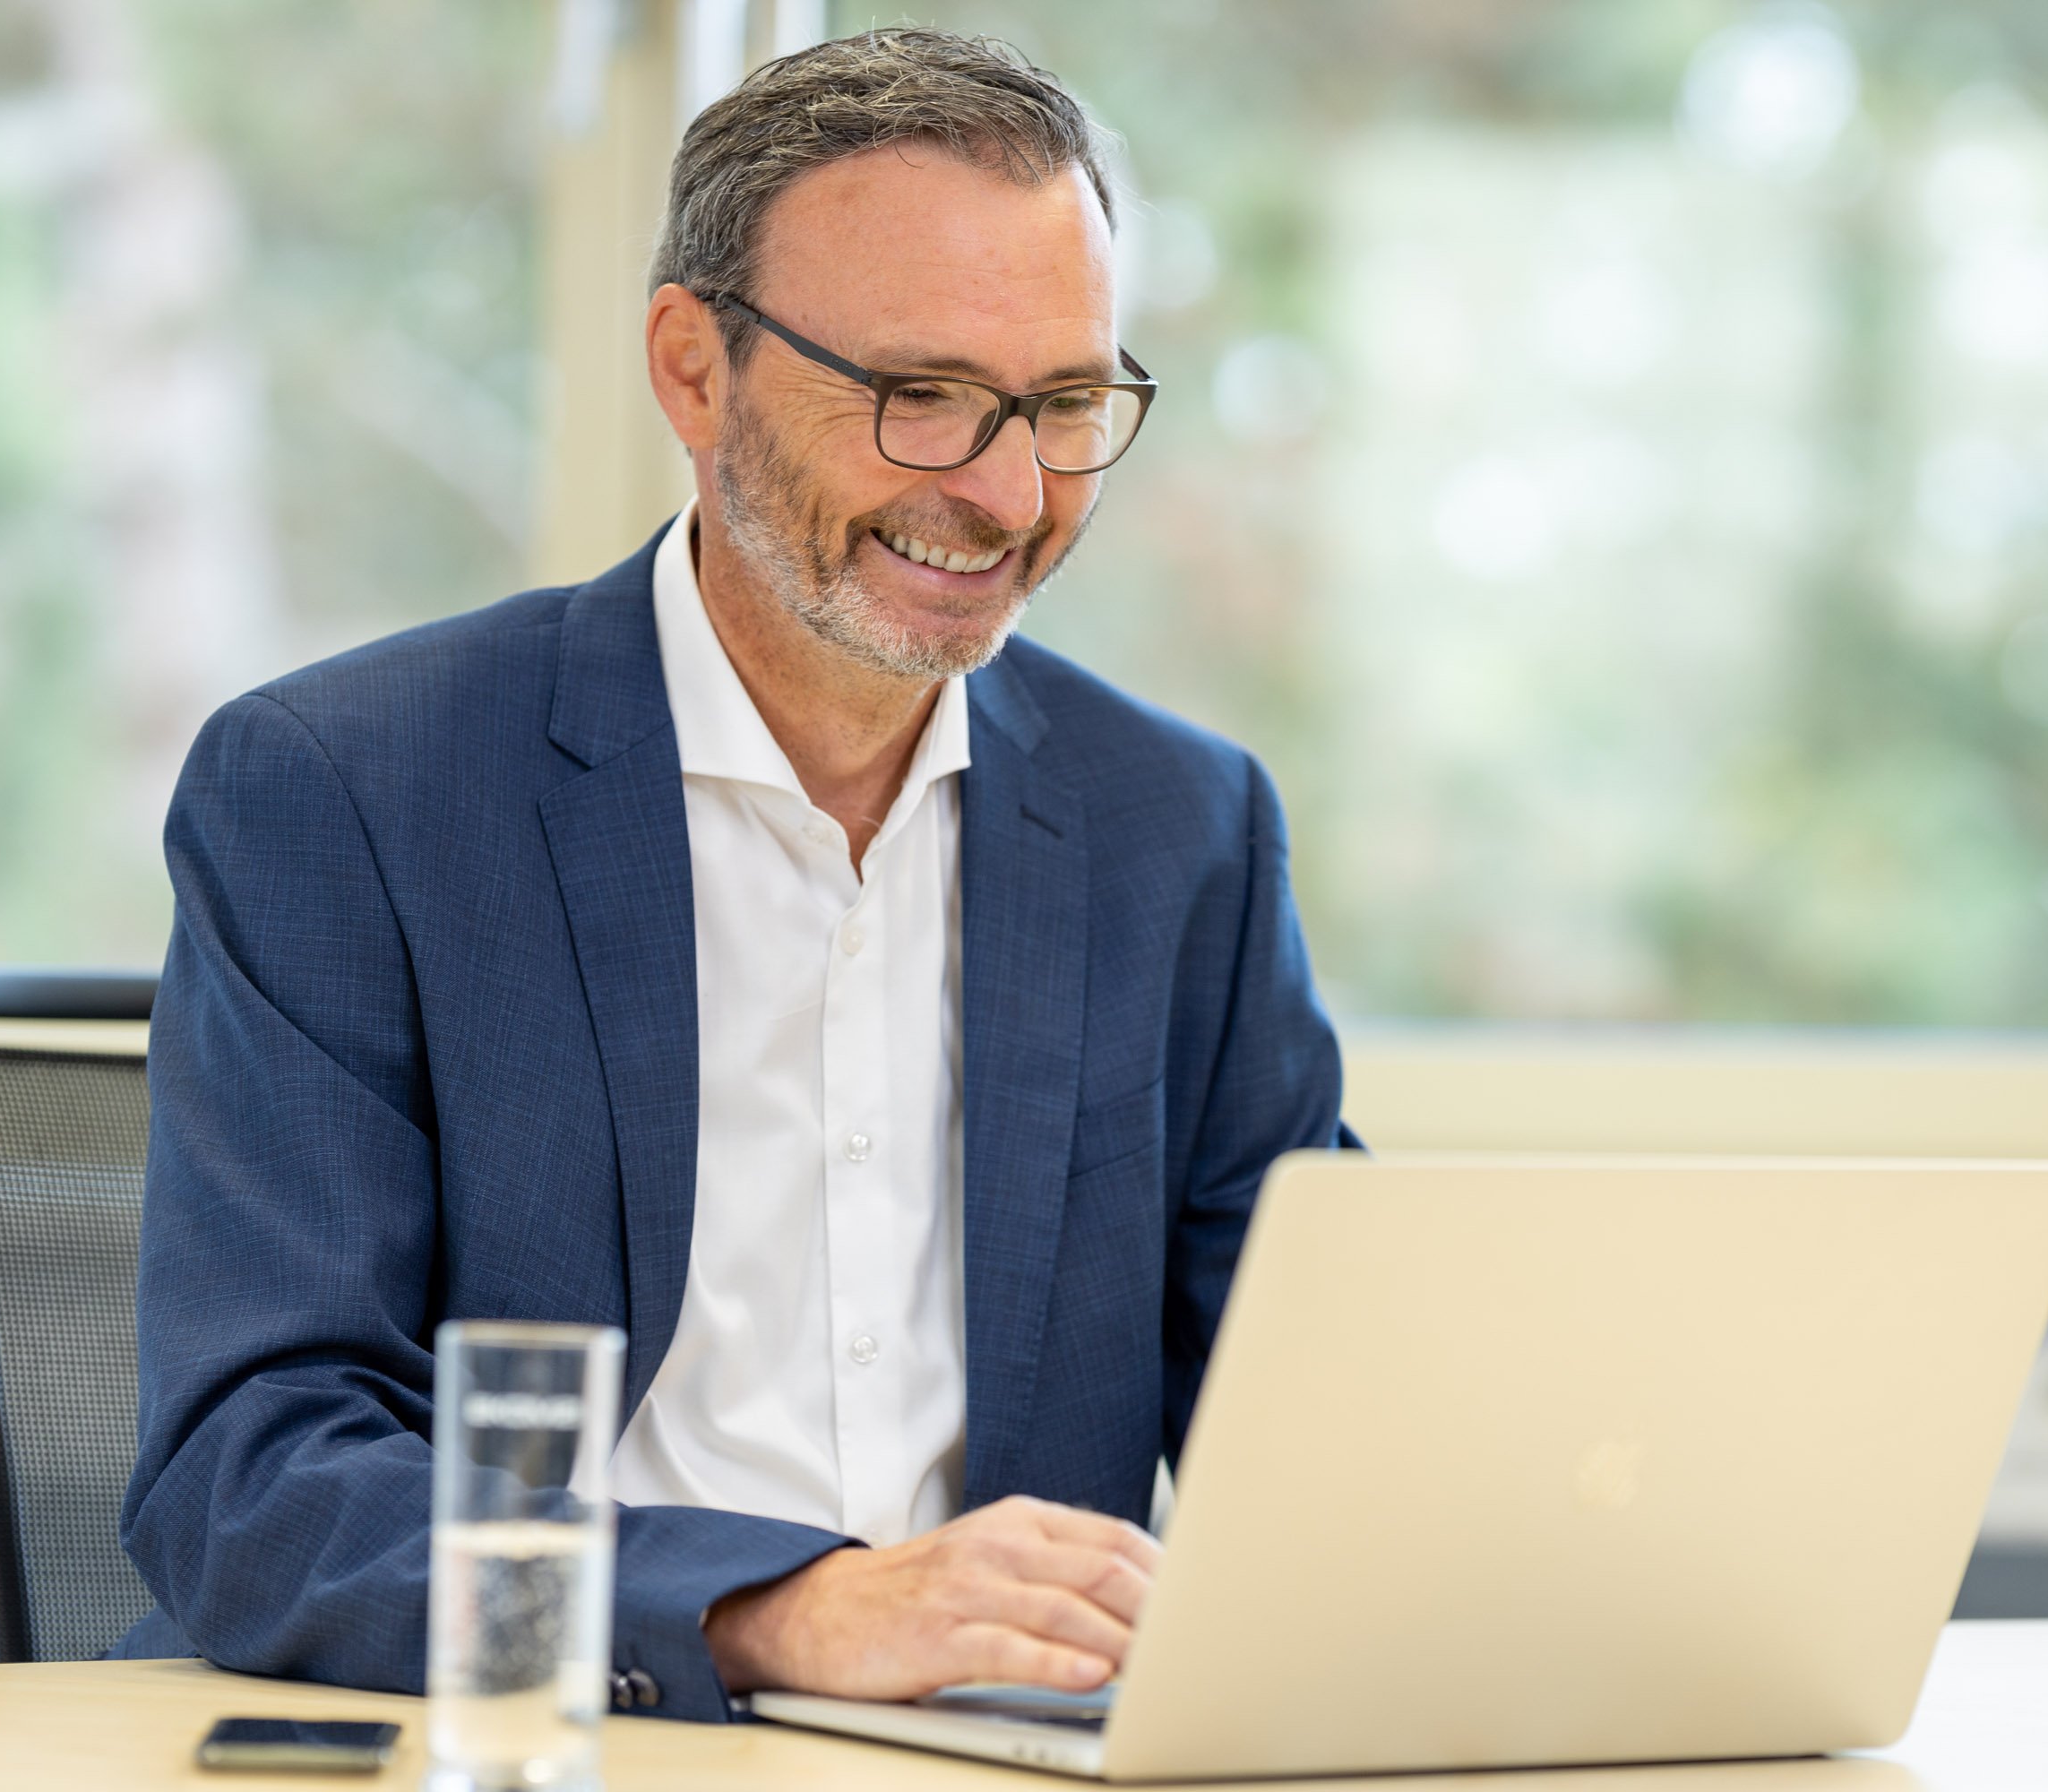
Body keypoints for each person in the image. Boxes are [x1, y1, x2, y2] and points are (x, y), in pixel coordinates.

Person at [116, 30, 1352, 1723]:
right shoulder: (348, 795)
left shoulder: (1182, 831)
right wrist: (785, 1612)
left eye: (1064, 407)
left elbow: (1333, 1431)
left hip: (997, 1759)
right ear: (694, 371)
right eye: (919, 396)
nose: (1004, 495)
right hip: (537, 1742)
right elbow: (257, 1482)